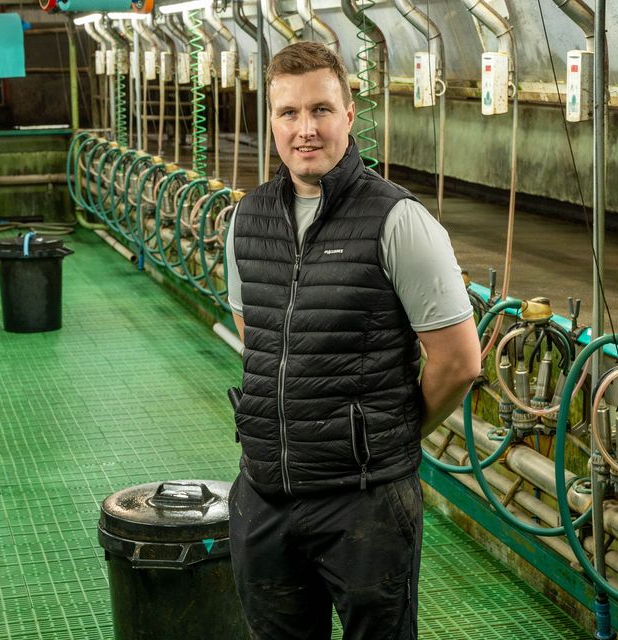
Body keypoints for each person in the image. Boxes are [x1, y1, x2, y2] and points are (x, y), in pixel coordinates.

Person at [225, 41, 481, 640]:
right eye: (289, 113)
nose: (305, 129)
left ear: (348, 115)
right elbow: (256, 335)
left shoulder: (398, 220)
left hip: (363, 501)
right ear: (272, 121)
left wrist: (385, 434)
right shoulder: (247, 218)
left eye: (320, 110)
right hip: (264, 495)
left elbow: (459, 361)